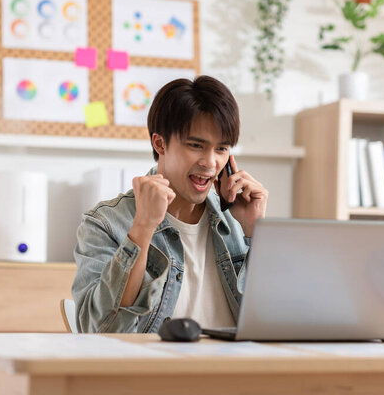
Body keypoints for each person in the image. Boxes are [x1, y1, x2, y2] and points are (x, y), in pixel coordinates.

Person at [72, 75, 268, 333]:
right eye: (196, 145)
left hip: (236, 370)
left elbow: (273, 322)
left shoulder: (238, 217)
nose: (210, 163)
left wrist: (257, 233)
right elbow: (98, 330)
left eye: (221, 149)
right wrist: (142, 228)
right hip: (155, 371)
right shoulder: (106, 223)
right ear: (160, 143)